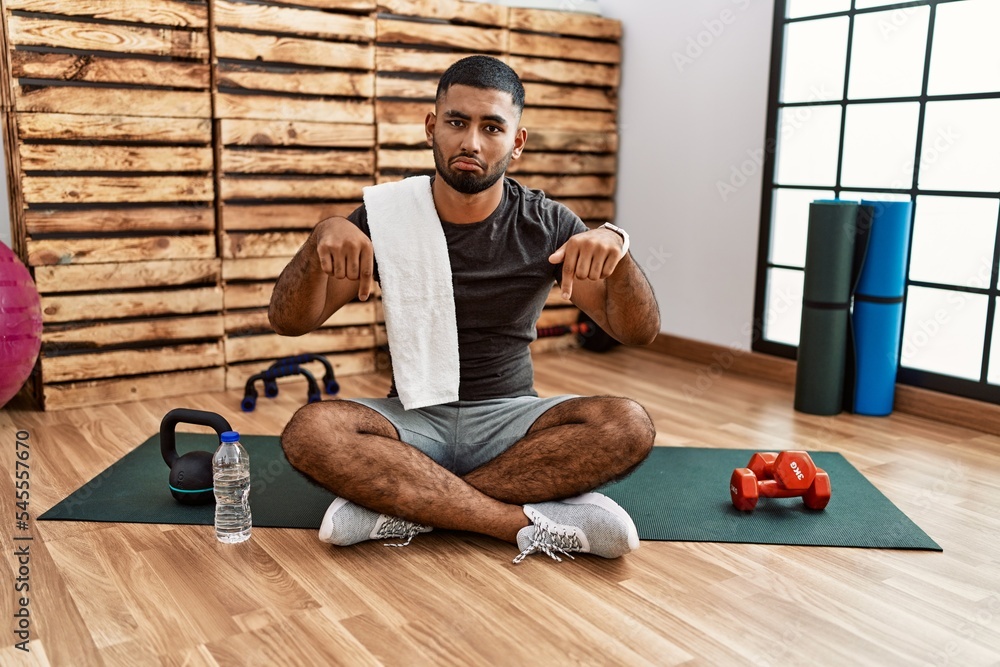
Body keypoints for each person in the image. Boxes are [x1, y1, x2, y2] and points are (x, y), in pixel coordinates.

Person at [269, 55, 660, 564]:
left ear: (516, 142)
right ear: (432, 128)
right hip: (412, 417)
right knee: (312, 431)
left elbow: (638, 332)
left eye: (492, 127)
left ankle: (405, 506)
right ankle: (516, 524)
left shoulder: (546, 224)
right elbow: (290, 321)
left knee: (627, 423)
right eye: (457, 122)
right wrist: (320, 235)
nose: (471, 142)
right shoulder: (385, 218)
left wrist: (620, 249)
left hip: (509, 417)